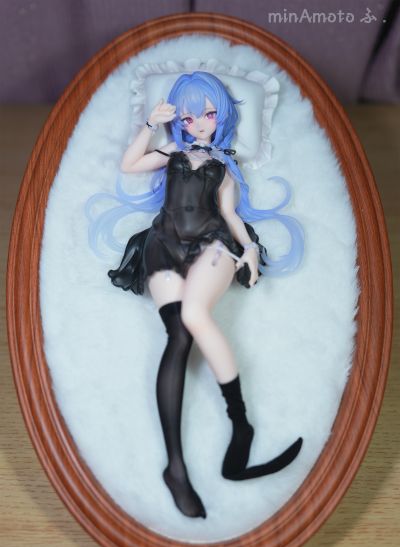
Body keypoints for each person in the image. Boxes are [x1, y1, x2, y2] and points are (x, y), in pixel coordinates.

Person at [86, 71, 305, 520]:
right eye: (189, 116)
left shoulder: (224, 166)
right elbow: (129, 164)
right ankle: (176, 468)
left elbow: (230, 214)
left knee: (195, 315)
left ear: (219, 115)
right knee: (179, 336)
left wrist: (249, 249)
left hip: (211, 244)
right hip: (163, 244)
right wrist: (151, 123)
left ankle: (240, 425)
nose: (198, 122)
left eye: (207, 113)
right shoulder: (171, 151)